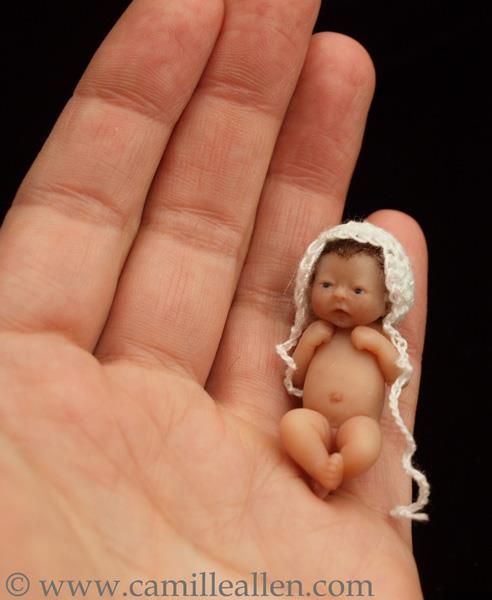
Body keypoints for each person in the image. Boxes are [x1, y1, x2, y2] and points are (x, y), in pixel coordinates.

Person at [0, 0, 427, 597]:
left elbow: (391, 380)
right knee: (297, 425)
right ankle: (319, 464)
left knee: (368, 440)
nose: (339, 298)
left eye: (357, 291)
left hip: (356, 419)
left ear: (384, 304)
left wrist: (376, 351)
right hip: (311, 415)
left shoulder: (374, 339)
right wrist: (304, 350)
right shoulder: (318, 332)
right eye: (327, 285)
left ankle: (343, 466)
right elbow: (298, 377)